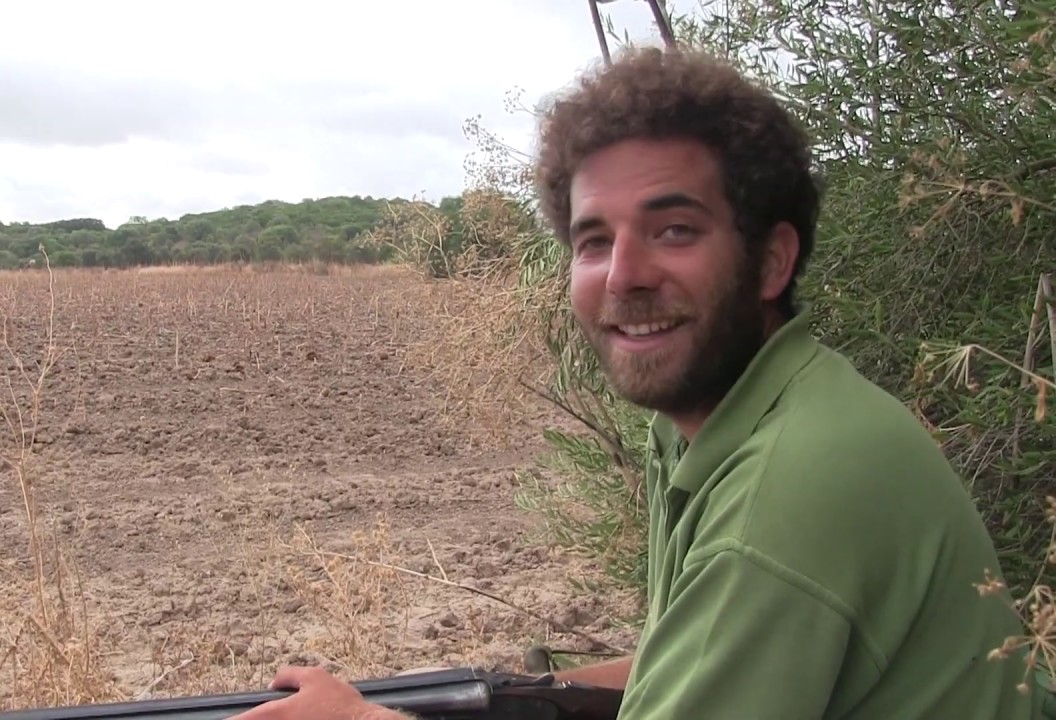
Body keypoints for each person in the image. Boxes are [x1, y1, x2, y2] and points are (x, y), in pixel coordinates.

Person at [231, 45, 1047, 719]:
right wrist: (460, 703)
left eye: (674, 230)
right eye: (593, 241)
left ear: (771, 259)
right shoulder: (732, 420)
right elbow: (674, 662)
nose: (624, 275)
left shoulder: (786, 488)